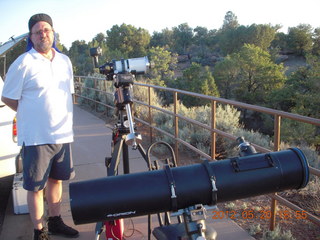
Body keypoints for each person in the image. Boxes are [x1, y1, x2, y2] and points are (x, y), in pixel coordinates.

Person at [1, 13, 79, 240]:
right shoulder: (23, 62)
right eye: (37, 31)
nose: (42, 34)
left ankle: (55, 222)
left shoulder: (65, 60)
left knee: (56, 181)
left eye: (46, 30)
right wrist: (31, 113)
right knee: (35, 187)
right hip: (36, 137)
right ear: (31, 37)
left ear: (53, 33)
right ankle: (39, 231)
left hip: (62, 134)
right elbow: (8, 97)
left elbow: (69, 93)